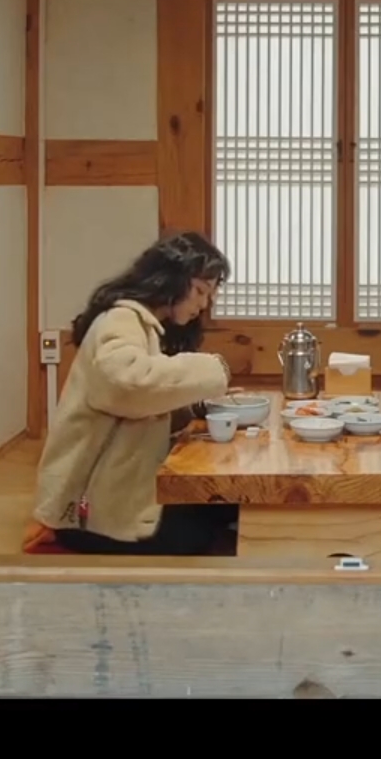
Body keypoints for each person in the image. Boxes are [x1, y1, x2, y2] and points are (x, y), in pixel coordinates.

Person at [29, 232, 240, 555]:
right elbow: (127, 385)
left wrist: (197, 407)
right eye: (200, 291)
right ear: (171, 279)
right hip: (90, 513)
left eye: (210, 295)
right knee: (204, 526)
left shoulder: (145, 324)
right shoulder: (120, 319)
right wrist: (214, 368)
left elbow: (144, 406)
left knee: (225, 502)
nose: (204, 304)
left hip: (118, 492)